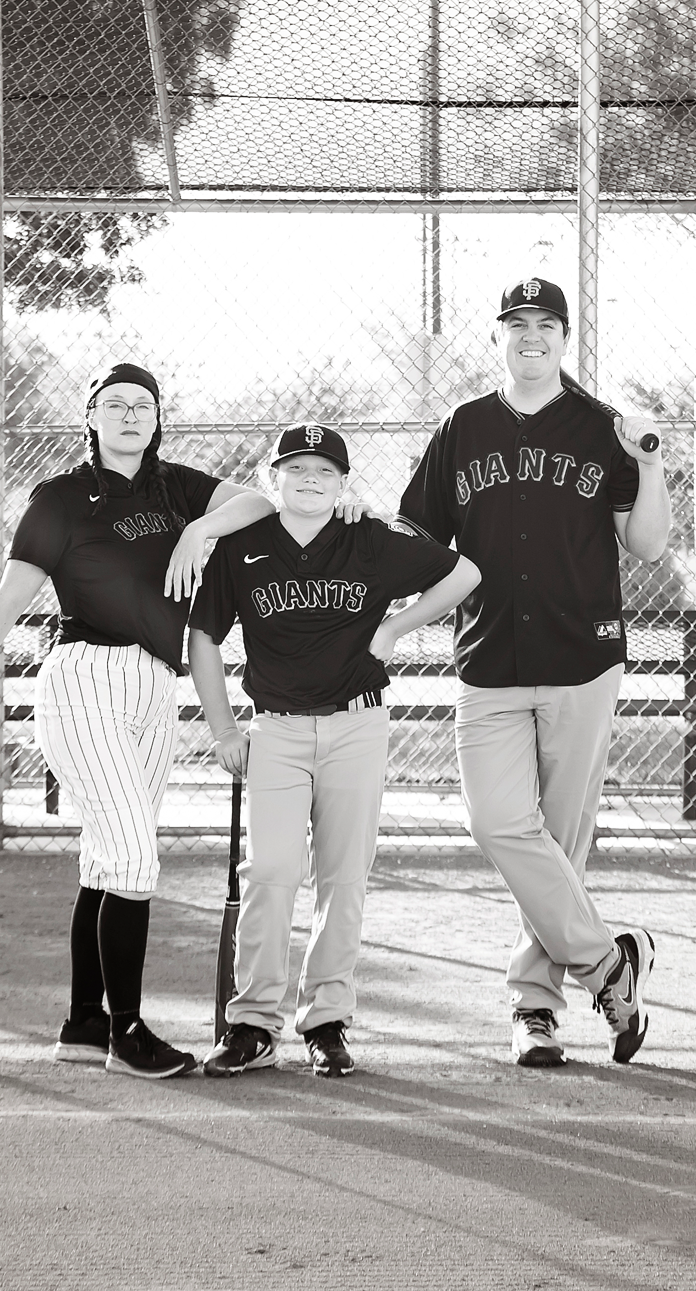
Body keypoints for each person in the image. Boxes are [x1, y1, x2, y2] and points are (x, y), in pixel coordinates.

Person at [0, 363, 282, 1080]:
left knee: (108, 858)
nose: (128, 415)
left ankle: (83, 1022)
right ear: (89, 417)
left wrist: (200, 530)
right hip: (85, 675)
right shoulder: (60, 498)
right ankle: (128, 1030)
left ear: (157, 419)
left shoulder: (176, 486)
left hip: (156, 681)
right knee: (133, 860)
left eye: (142, 405)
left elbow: (261, 501)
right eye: (113, 404)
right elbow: (7, 602)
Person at [396, 276, 670, 1067]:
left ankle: (534, 1006)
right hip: (487, 658)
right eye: (516, 324)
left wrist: (649, 464)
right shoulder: (463, 428)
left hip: (581, 657)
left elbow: (646, 545)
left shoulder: (601, 428)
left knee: (559, 841)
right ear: (497, 337)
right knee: (497, 824)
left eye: (545, 324)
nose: (530, 337)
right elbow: (418, 531)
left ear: (563, 338)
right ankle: (607, 962)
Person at [188, 424, 481, 1078]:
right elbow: (203, 636)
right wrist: (223, 730)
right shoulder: (244, 547)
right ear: (274, 478)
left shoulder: (368, 537)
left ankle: (325, 1019)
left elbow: (464, 571)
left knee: (342, 876)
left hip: (357, 725)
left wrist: (397, 626)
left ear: (343, 482)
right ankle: (252, 1021)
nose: (311, 480)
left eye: (325, 470)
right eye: (297, 468)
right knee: (269, 874)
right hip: (277, 730)